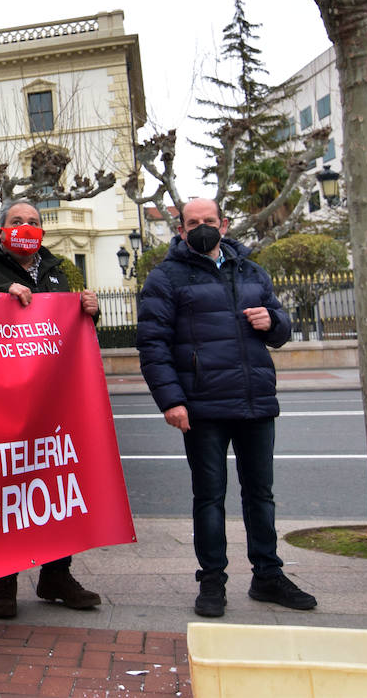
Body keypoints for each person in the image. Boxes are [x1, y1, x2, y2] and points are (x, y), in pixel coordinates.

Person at [136, 197, 316, 619]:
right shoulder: (166, 277)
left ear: (225, 224)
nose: (202, 227)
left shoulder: (251, 270)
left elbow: (281, 326)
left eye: (209, 221)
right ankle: (212, 580)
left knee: (261, 496)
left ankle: (268, 576)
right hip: (202, 407)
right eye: (193, 222)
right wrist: (172, 400)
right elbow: (152, 344)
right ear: (180, 229)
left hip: (254, 400)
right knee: (209, 498)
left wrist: (274, 324)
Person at [0, 200, 103, 619]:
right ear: (0, 230)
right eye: (17, 222)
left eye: (34, 222)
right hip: (1, 400)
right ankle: (3, 583)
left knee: (57, 488)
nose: (27, 227)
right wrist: (0, 295)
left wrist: (88, 312)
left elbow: (68, 332)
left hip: (52, 400)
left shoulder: (57, 271)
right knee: (5, 490)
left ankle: (57, 574)